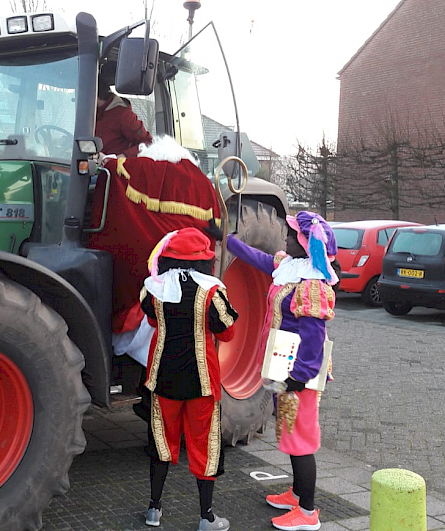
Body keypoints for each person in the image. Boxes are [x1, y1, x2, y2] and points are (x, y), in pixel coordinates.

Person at [221, 211, 337, 531]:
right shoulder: (290, 266)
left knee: (300, 439)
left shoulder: (312, 283)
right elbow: (256, 257)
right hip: (284, 362)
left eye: (290, 235)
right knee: (287, 431)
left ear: (305, 242)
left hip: (299, 371)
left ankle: (308, 513)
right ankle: (297, 493)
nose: (283, 240)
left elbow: (313, 340)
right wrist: (227, 239)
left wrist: (298, 377)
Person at [139, 227, 238, 531]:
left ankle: (154, 510)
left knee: (161, 442)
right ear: (203, 261)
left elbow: (152, 321)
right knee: (203, 447)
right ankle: (206, 516)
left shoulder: (153, 289)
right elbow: (228, 332)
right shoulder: (212, 292)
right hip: (201, 382)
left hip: (162, 378)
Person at [95, 70, 153, 158]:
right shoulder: (89, 116)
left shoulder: (123, 115)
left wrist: (122, 157)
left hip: (115, 168)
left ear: (94, 93)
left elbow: (148, 143)